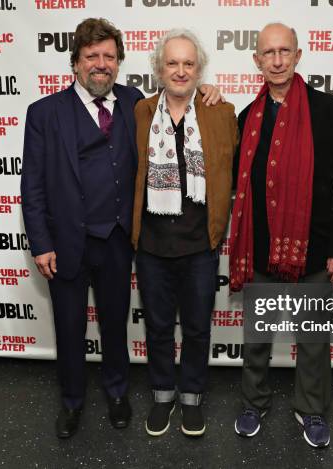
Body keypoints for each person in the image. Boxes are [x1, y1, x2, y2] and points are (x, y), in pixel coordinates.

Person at [21, 17, 222, 439]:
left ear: (120, 62)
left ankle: (117, 394)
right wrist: (40, 243)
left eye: (109, 56)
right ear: (75, 63)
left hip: (116, 239)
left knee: (115, 325)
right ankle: (72, 402)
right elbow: (33, 183)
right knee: (70, 327)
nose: (100, 64)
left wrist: (208, 91)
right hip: (66, 242)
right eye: (91, 56)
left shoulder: (137, 103)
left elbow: (181, 98)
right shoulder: (43, 113)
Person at [230, 23, 333, 448]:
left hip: (317, 248)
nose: (278, 60)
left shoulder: (332, 112)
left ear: (299, 55)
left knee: (314, 339)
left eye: (285, 51)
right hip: (261, 248)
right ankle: (253, 402)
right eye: (269, 53)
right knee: (256, 337)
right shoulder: (246, 119)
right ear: (257, 61)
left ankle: (312, 410)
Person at [132, 29, 237, 437]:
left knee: (196, 326)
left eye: (188, 63)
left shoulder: (220, 112)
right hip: (153, 245)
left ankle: (191, 397)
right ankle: (162, 395)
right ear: (159, 68)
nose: (180, 70)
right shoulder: (140, 111)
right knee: (157, 326)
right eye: (172, 63)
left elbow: (232, 173)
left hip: (199, 245)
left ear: (199, 69)